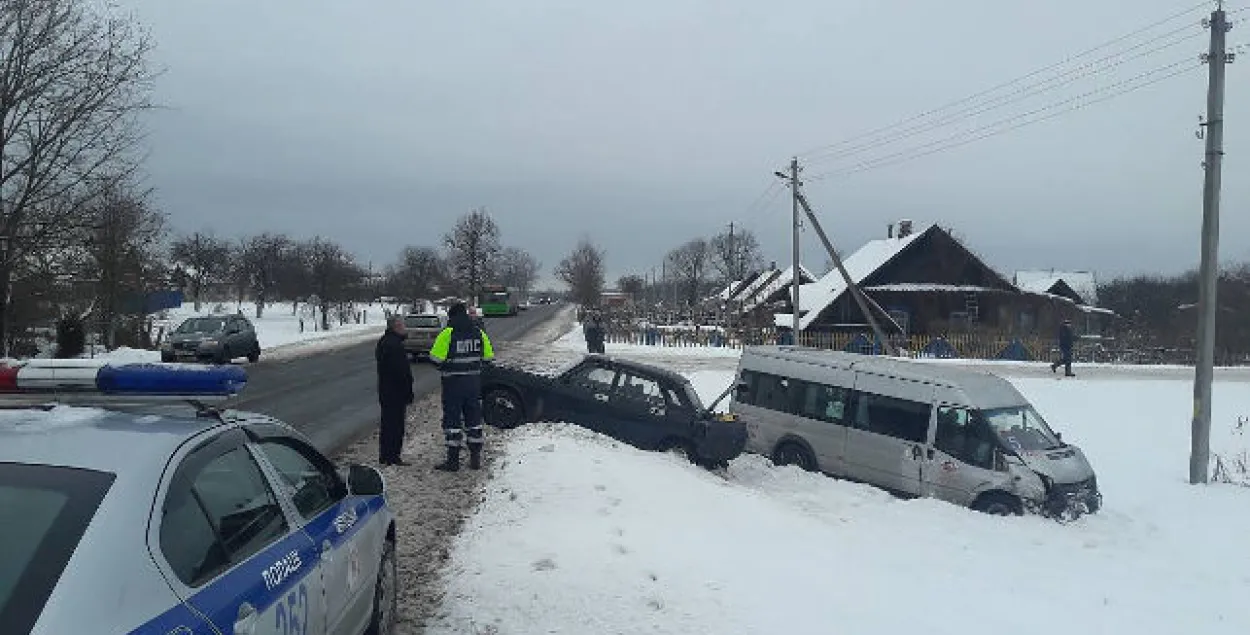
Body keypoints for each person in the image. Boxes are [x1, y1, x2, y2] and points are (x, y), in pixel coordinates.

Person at [429, 302, 495, 471]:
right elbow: (488, 357)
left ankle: (453, 461)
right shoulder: (478, 332)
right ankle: (475, 458)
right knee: (473, 420)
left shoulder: (448, 333)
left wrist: (447, 366)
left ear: (451, 316)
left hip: (453, 384)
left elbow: (435, 359)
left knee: (453, 421)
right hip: (473, 384)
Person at [375, 315, 414, 465]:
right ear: (396, 327)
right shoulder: (395, 345)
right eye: (403, 325)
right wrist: (408, 391)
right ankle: (392, 456)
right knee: (396, 426)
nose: (405, 328)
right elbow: (402, 372)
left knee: (387, 424)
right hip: (396, 392)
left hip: (385, 390)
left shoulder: (384, 342)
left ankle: (385, 455)